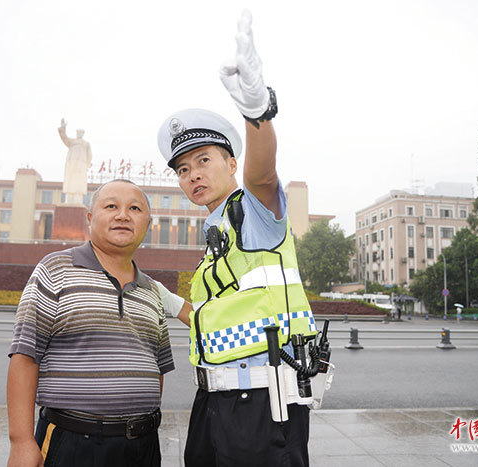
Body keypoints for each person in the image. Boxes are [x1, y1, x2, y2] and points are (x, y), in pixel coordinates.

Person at [157, 10, 318, 467]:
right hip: (215, 402)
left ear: (230, 163)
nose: (193, 175)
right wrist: (169, 302)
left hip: (262, 406)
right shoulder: (217, 234)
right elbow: (226, 319)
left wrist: (256, 111)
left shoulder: (253, 211)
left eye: (203, 160)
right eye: (183, 169)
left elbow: (264, 174)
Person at [6, 179, 185, 467]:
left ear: (148, 224)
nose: (123, 215)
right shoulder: (55, 270)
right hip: (72, 444)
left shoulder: (152, 292)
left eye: (135, 208)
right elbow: (25, 356)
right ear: (90, 218)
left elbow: (156, 367)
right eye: (111, 206)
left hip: (142, 447)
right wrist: (21, 441)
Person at [58, 118, 92, 205]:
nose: (79, 134)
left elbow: (89, 155)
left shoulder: (86, 144)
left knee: (79, 183)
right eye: (78, 132)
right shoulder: (72, 142)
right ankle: (68, 199)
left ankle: (78, 199)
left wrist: (86, 165)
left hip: (81, 166)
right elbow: (64, 137)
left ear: (83, 134)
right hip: (71, 165)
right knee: (70, 181)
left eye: (80, 133)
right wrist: (63, 128)